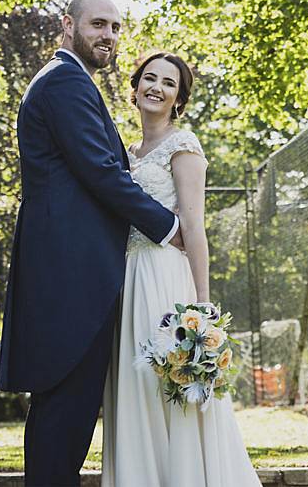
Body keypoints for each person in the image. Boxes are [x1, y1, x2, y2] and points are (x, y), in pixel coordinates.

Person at [0, 0, 185, 487]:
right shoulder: (64, 82)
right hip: (68, 275)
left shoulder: (72, 82)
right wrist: (168, 226)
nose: (110, 36)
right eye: (99, 24)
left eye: (117, 28)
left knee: (68, 416)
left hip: (75, 271)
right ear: (68, 25)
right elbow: (101, 172)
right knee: (64, 413)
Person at [101, 51, 261, 486]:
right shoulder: (122, 151)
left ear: (178, 98)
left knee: (168, 390)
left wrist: (202, 307)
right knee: (136, 392)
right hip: (127, 281)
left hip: (165, 280)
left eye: (168, 83)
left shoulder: (184, 146)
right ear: (134, 90)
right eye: (148, 79)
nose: (156, 87)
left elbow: (194, 228)